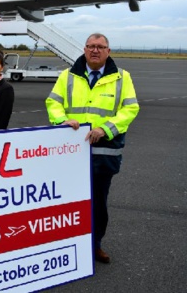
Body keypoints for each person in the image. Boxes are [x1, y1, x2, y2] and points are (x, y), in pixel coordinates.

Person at [45, 33, 139, 264]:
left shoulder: (122, 77)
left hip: (103, 153)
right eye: (90, 46)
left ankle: (94, 244)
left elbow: (130, 109)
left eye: (100, 47)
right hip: (70, 154)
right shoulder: (67, 76)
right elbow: (53, 102)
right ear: (84, 49)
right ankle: (67, 243)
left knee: (98, 203)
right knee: (66, 202)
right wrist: (61, 121)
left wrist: (105, 129)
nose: (95, 50)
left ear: (108, 51)